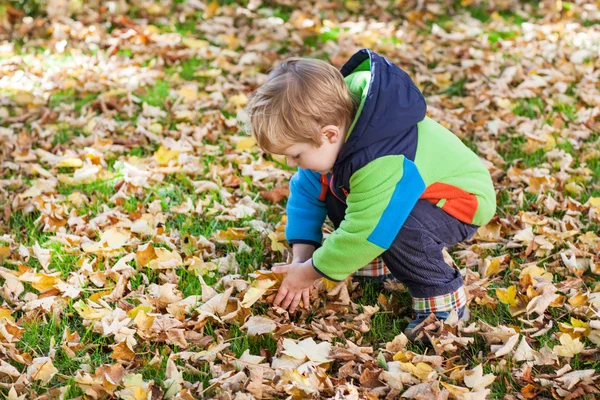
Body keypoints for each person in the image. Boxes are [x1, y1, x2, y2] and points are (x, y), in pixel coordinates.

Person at [243, 48, 496, 340]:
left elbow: (369, 230)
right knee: (336, 191)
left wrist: (311, 273)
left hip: (458, 201)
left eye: (295, 154)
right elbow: (306, 192)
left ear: (329, 135)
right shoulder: (332, 131)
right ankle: (376, 265)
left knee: (394, 226)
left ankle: (442, 302)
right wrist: (303, 255)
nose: (291, 164)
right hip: (407, 195)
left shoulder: (381, 157)